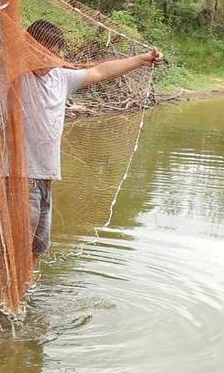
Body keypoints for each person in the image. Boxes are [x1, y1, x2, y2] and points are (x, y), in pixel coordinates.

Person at [20, 19, 161, 267]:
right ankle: (3, 301)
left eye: (53, 53)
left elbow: (100, 71)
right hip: (20, 178)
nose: (49, 59)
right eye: (42, 52)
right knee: (15, 250)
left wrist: (141, 59)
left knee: (35, 250)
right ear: (28, 48)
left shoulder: (60, 78)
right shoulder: (15, 79)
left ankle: (24, 302)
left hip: (44, 178)